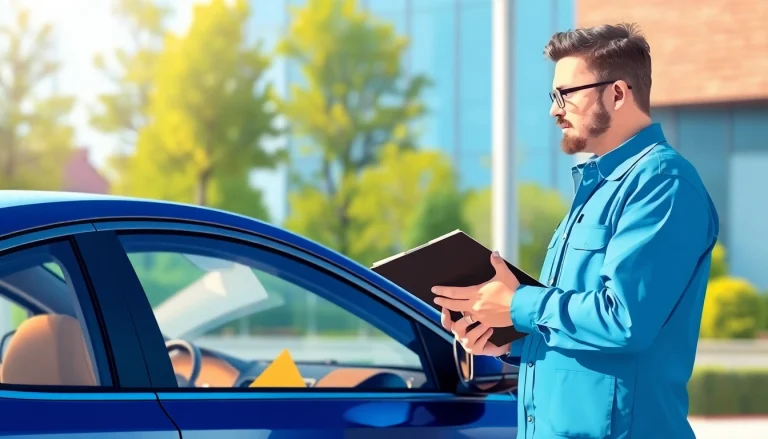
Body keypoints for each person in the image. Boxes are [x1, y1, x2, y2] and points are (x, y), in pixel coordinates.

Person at [432, 23, 719, 439]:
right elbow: (580, 331)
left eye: (566, 94)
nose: (554, 109)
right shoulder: (595, 189)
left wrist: (519, 305)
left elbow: (623, 321)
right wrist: (509, 340)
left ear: (618, 93)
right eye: (554, 95)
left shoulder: (663, 184)